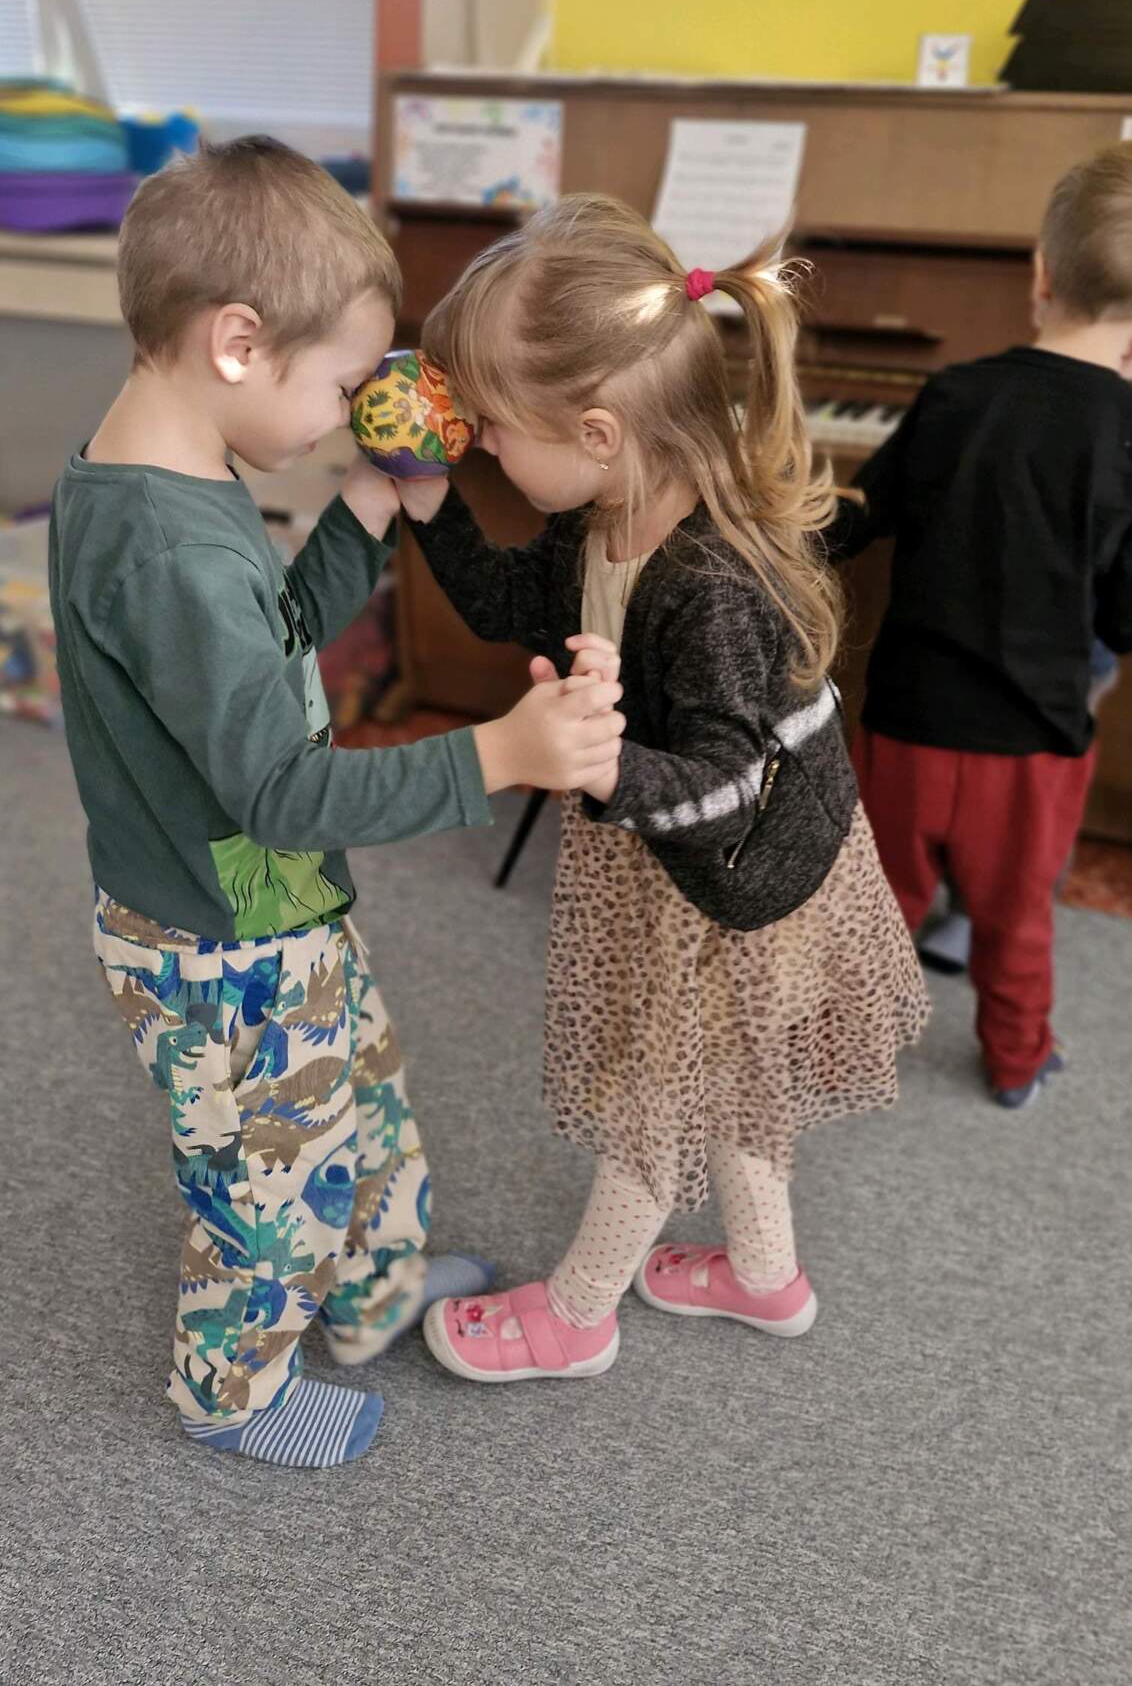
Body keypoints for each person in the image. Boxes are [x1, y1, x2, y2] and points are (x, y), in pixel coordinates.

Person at [48, 138, 624, 1464]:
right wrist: (498, 754)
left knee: (364, 1105)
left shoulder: (170, 473)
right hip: (219, 946)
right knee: (270, 1189)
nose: (351, 408)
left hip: (273, 912)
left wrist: (365, 504)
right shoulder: (174, 553)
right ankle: (231, 1392)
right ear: (238, 343)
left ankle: (371, 1290)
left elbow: (271, 656)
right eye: (341, 384)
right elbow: (284, 788)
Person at [396, 193, 929, 1384]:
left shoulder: (706, 587)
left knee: (655, 1092)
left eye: (492, 427)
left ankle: (577, 1313)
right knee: (730, 1074)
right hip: (677, 846)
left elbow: (728, 790)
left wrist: (602, 762)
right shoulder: (605, 512)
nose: (481, 445)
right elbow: (506, 603)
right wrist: (430, 506)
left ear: (595, 430)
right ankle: (765, 1274)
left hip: (740, 874)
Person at [828, 141, 1132, 1108]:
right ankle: (1016, 1062)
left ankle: (842, 1050)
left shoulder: (953, 394)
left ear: (1041, 273)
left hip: (908, 721)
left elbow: (856, 523)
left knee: (878, 905)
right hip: (1031, 746)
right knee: (1015, 923)